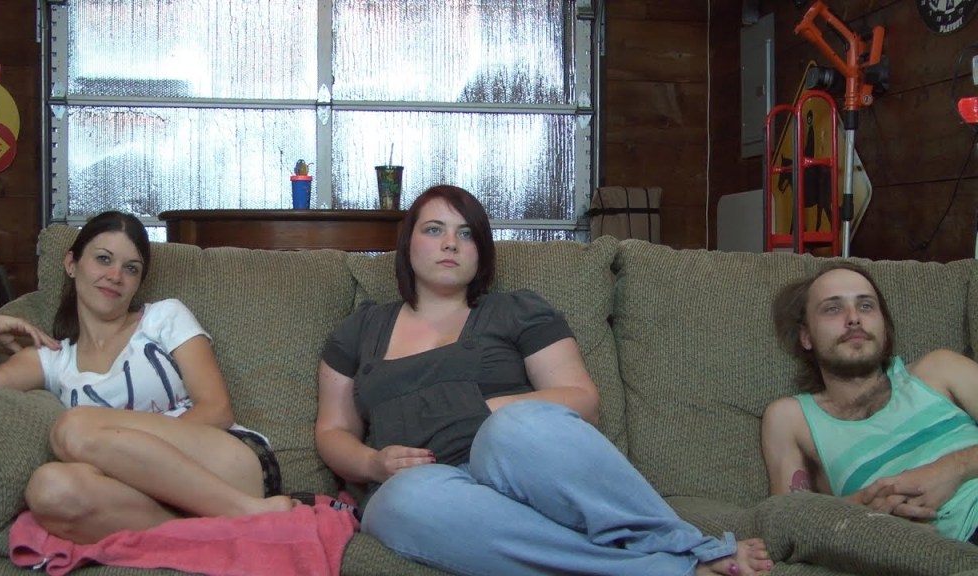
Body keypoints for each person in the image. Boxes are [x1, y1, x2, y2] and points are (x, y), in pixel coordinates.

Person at [315, 185, 773, 576]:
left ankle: (688, 546)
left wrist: (482, 411)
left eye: (466, 233)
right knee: (402, 501)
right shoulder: (361, 329)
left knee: (516, 426)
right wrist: (373, 464)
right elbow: (333, 429)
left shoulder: (516, 310)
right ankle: (670, 569)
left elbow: (582, 400)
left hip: (517, 467)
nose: (450, 243)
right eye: (434, 230)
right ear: (408, 244)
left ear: (482, 251)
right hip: (432, 490)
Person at [0, 210, 294, 544]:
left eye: (131, 268)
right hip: (146, 492)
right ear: (71, 263)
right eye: (103, 259)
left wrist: (129, 453)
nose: (116, 276)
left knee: (73, 427)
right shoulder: (54, 359)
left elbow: (217, 410)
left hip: (227, 465)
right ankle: (212, 528)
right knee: (48, 488)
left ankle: (245, 509)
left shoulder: (164, 317)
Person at [762, 261, 978, 542]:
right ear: (806, 336)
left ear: (884, 329)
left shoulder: (939, 368)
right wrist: (863, 512)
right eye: (833, 308)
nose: (854, 318)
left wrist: (950, 470)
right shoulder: (792, 419)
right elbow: (786, 529)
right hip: (939, 552)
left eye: (865, 306)